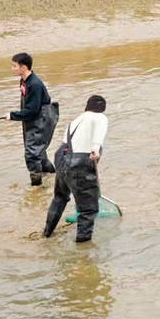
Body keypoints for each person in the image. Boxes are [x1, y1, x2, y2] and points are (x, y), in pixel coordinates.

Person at [42, 95, 108, 243]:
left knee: (60, 198)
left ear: (87, 107)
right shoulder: (100, 118)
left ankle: (46, 234)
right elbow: (98, 137)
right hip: (79, 163)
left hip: (61, 157)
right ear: (102, 109)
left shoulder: (77, 120)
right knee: (88, 210)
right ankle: (83, 252)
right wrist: (96, 149)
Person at [9, 52, 58, 186]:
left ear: (23, 68)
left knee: (32, 153)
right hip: (32, 119)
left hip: (41, 118)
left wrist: (13, 116)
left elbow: (32, 110)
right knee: (37, 150)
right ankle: (52, 176)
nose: (12, 69)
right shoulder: (24, 81)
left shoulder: (35, 84)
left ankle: (37, 187)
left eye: (14, 66)